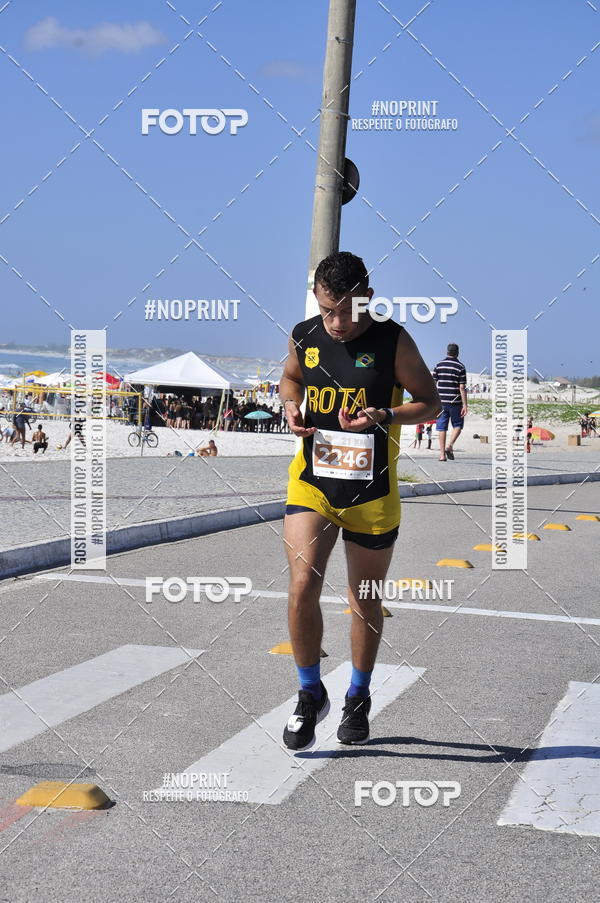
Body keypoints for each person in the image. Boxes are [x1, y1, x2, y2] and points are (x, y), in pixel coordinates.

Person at [279, 251, 440, 750]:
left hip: (372, 494)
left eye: (347, 311)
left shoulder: (393, 340)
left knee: (364, 599)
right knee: (302, 584)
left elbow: (431, 402)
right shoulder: (305, 335)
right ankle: (310, 694)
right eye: (327, 310)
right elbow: (290, 379)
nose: (337, 322)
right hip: (313, 484)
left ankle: (357, 695)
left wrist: (385, 415)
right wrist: (290, 406)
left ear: (367, 298)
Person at [432, 343, 468, 461]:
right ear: (457, 353)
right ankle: (450, 445)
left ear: (447, 352)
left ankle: (442, 455)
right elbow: (462, 387)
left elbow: (433, 384)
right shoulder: (460, 367)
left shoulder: (439, 365)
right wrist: (465, 405)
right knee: (458, 425)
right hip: (455, 402)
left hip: (441, 402)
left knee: (442, 428)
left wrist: (433, 400)